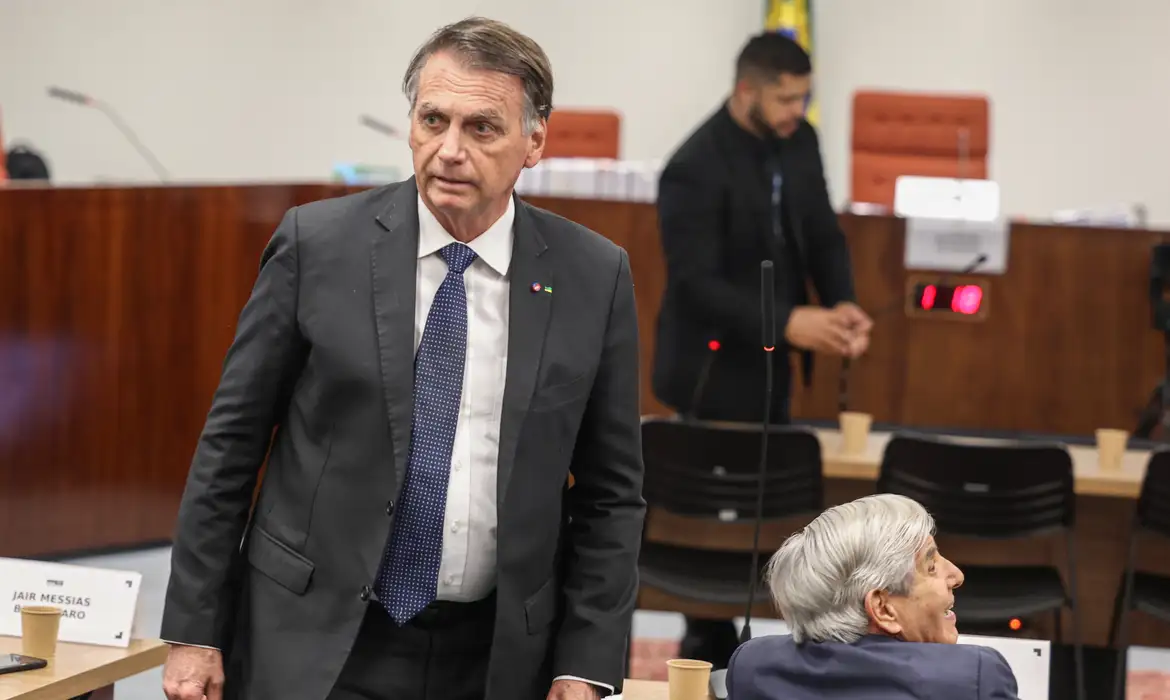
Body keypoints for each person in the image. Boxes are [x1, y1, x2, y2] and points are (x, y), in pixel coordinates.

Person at [159, 17, 645, 700]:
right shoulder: (317, 246)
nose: (449, 149)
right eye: (433, 119)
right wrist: (193, 632)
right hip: (316, 634)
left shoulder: (595, 276)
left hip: (498, 653)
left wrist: (584, 663)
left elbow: (611, 495)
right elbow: (229, 448)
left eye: (482, 128)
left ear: (534, 141)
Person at [652, 31, 873, 666]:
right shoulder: (693, 166)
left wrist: (841, 302)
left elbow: (822, 232)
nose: (796, 112)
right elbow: (696, 286)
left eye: (804, 98)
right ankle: (706, 644)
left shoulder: (798, 140)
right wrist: (788, 322)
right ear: (746, 91)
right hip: (709, 370)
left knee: (767, 514)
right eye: (784, 100)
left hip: (774, 368)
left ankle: (761, 643)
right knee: (714, 532)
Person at [726, 494, 1020, 700]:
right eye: (931, 566)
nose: (956, 575)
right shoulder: (974, 678)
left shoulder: (753, 667)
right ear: (883, 608)